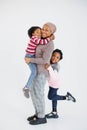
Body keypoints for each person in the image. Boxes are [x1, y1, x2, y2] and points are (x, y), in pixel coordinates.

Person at [25, 22, 56, 125]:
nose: (43, 31)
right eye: (43, 28)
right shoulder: (41, 40)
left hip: (42, 72)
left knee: (39, 94)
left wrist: (30, 60)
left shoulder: (50, 44)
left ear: (51, 33)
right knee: (33, 93)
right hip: (36, 71)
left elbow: (44, 60)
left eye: (47, 30)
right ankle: (37, 114)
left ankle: (42, 117)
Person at [23, 26, 54, 98]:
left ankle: (29, 87)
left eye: (40, 32)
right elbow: (42, 42)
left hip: (32, 56)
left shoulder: (38, 38)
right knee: (34, 72)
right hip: (29, 56)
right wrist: (50, 38)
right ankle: (26, 88)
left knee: (35, 72)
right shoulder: (34, 38)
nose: (40, 33)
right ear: (33, 34)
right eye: (37, 32)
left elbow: (44, 39)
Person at [45, 49, 76, 119]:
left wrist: (49, 68)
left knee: (50, 97)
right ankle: (54, 112)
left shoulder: (56, 66)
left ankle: (66, 97)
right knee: (54, 97)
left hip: (55, 84)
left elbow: (53, 76)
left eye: (57, 57)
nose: (54, 58)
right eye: (53, 55)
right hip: (52, 84)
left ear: (59, 60)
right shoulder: (49, 62)